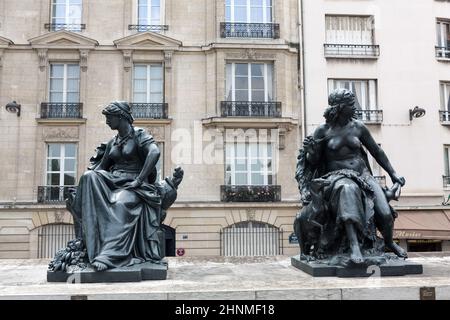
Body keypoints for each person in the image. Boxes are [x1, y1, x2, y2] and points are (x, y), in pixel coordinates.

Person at [295, 88, 407, 264]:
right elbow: (314, 161)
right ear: (340, 108)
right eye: (351, 105)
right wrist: (311, 152)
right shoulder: (322, 131)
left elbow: (377, 151)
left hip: (363, 175)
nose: (355, 108)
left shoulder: (358, 127)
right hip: (336, 176)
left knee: (385, 214)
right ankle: (354, 245)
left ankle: (389, 242)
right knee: (348, 190)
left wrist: (393, 174)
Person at [69, 101, 168, 271]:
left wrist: (139, 179)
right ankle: (89, 246)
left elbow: (154, 153)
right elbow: (100, 168)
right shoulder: (113, 142)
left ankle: (110, 255)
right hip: (113, 181)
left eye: (109, 117)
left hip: (134, 184)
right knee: (88, 176)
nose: (107, 121)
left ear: (121, 116)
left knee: (121, 204)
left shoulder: (139, 135)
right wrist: (81, 190)